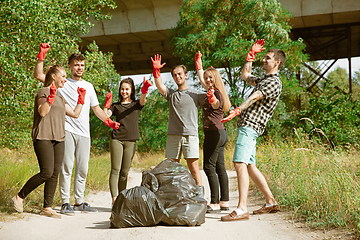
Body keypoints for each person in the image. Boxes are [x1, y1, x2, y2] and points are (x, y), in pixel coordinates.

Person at [33, 43, 120, 215]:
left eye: (82, 65)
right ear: (70, 66)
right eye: (76, 65)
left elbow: (96, 109)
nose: (80, 68)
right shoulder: (62, 83)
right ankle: (65, 202)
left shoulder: (88, 86)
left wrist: (108, 121)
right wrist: (41, 57)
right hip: (66, 129)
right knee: (67, 166)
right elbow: (38, 74)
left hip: (84, 132)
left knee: (83, 168)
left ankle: (79, 201)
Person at [220, 39, 286, 221]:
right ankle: (271, 201)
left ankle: (242, 209)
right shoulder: (265, 80)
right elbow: (244, 75)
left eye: (267, 58)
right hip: (249, 127)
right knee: (249, 165)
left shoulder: (273, 82)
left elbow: (255, 97)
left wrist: (238, 110)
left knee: (239, 163)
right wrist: (251, 55)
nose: (263, 60)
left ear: (277, 62)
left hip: (250, 127)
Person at [12, 65, 85, 218]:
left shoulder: (60, 96)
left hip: (59, 138)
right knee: (46, 172)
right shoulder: (43, 92)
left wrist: (81, 100)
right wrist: (50, 98)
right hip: (43, 136)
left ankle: (47, 207)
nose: (65, 79)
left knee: (54, 173)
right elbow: (43, 112)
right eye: (63, 76)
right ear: (53, 76)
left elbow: (75, 114)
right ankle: (19, 197)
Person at [150, 54, 206, 188]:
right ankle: (174, 196)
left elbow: (213, 94)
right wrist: (156, 71)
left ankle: (200, 196)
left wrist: (200, 66)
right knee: (172, 168)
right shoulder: (172, 95)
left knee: (193, 168)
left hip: (190, 135)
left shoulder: (196, 94)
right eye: (175, 75)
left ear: (186, 75)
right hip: (173, 136)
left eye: (180, 74)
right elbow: (160, 86)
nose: (177, 77)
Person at [103, 77, 151, 205]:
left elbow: (142, 100)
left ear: (131, 90)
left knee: (124, 172)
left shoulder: (136, 104)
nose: (124, 91)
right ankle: (114, 200)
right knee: (115, 170)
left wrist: (145, 90)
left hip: (131, 141)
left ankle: (122, 198)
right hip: (117, 139)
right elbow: (105, 116)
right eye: (122, 89)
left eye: (127, 89)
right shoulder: (116, 106)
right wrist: (107, 104)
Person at [195, 51, 231, 212]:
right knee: (220, 167)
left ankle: (215, 202)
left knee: (209, 167)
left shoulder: (215, 93)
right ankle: (224, 201)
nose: (208, 80)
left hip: (214, 133)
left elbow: (216, 105)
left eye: (211, 78)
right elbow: (202, 78)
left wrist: (212, 100)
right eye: (207, 77)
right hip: (221, 133)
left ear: (216, 79)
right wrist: (199, 64)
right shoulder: (217, 90)